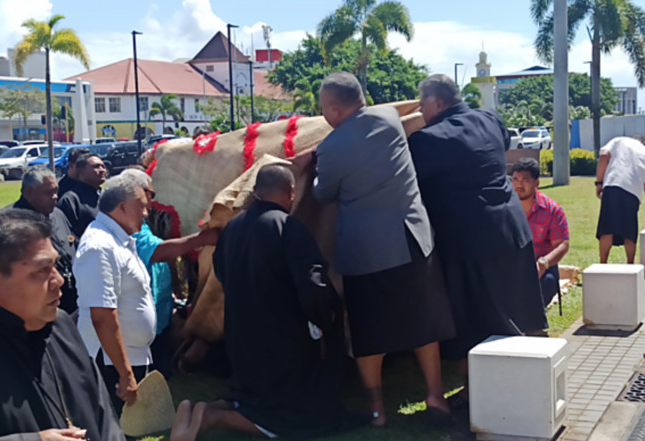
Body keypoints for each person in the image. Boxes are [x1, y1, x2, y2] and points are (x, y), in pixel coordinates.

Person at [308, 72, 455, 426]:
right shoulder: (389, 118)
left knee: (368, 331)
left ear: (332, 108)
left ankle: (377, 410)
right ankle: (435, 395)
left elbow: (322, 194)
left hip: (365, 250)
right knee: (425, 322)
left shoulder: (331, 148)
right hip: (412, 239)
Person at [175, 164, 362, 441]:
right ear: (291, 193)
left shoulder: (233, 227)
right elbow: (314, 286)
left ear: (256, 192)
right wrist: (325, 321)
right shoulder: (289, 228)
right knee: (298, 416)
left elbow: (223, 273)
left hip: (240, 335)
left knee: (252, 393)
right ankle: (215, 417)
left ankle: (203, 408)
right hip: (281, 342)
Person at [407, 74, 549, 404]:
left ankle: (481, 391)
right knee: (521, 303)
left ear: (437, 103)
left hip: (469, 238)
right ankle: (535, 375)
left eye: (422, 103)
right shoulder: (490, 118)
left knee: (474, 314)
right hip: (511, 225)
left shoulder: (428, 140)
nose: (420, 110)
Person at [0, 209, 125, 441]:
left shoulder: (61, 325)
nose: (59, 280)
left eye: (55, 266)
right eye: (43, 270)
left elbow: (105, 419)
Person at [120, 169, 219, 378]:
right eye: (150, 194)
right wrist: (200, 240)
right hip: (143, 310)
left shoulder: (139, 218)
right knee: (151, 366)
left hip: (158, 303)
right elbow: (157, 251)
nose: (152, 200)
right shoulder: (127, 222)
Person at [74, 173, 155, 414]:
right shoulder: (100, 247)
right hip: (110, 363)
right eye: (142, 206)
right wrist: (125, 373)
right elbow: (102, 316)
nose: (146, 213)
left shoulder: (118, 240)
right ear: (122, 207)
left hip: (126, 358)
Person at [12, 167, 80, 313]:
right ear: (29, 192)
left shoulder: (57, 214)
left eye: (56, 191)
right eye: (49, 192)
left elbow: (72, 242)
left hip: (70, 299)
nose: (55, 197)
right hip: (38, 305)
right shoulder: (12, 223)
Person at [511, 158, 570, 308]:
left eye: (525, 180)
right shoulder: (505, 207)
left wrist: (543, 264)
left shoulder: (551, 209)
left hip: (541, 265)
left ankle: (533, 325)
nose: (518, 184)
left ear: (536, 183)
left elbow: (562, 244)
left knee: (548, 282)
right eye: (515, 179)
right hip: (510, 265)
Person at [595, 135, 645, 263]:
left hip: (612, 184)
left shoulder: (618, 140)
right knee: (629, 230)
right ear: (643, 143)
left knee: (607, 227)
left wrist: (599, 183)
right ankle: (630, 264)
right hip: (633, 192)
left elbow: (603, 156)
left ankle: (603, 264)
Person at [58, 153, 107, 238]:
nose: (102, 170)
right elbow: (68, 234)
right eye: (96, 166)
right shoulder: (70, 200)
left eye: (103, 166)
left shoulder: (106, 196)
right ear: (81, 171)